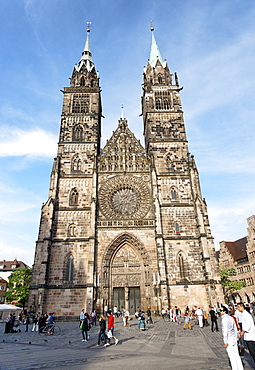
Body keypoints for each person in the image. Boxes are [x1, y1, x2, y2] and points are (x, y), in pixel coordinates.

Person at [221, 306, 244, 370]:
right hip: (234, 339)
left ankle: (235, 368)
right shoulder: (231, 318)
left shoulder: (224, 319)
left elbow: (225, 331)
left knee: (232, 356)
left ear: (224, 311)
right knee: (237, 355)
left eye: (221, 311)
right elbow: (235, 328)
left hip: (229, 339)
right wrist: (236, 338)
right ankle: (240, 368)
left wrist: (225, 342)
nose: (220, 312)